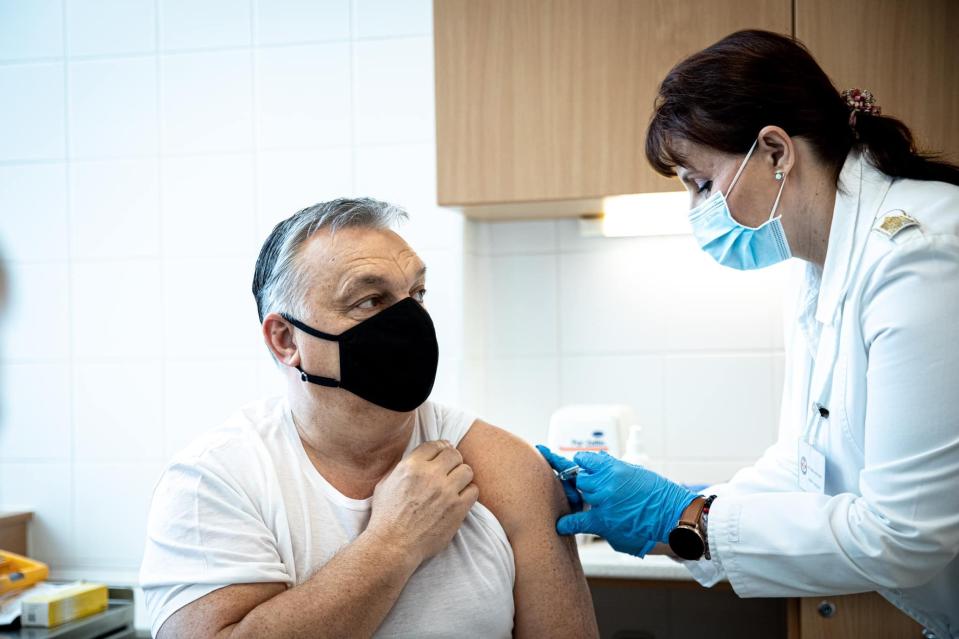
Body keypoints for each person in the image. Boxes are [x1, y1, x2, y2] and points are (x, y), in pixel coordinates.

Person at [540, 29, 959, 637]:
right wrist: (691, 505)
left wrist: (683, 517)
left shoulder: (919, 256)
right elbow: (802, 465)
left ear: (775, 152)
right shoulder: (816, 265)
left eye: (702, 183)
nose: (695, 211)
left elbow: (904, 537)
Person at [140, 198, 598, 638]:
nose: (410, 322)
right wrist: (394, 543)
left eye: (416, 294)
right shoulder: (216, 481)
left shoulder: (505, 467)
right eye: (370, 301)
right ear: (285, 339)